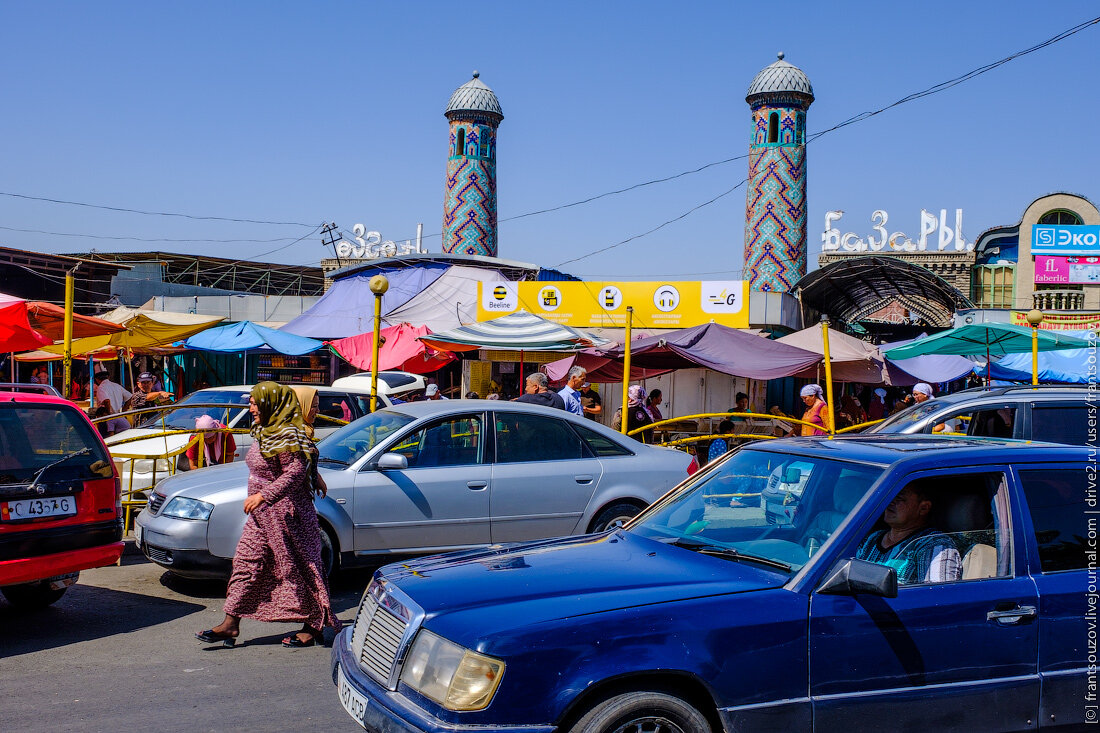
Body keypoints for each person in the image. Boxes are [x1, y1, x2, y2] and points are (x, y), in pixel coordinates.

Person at [195, 382, 339, 649]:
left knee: (300, 568)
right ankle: (230, 623)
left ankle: (314, 624)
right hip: (262, 517)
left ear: (271, 404)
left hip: (288, 515)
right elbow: (302, 460)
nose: (250, 408)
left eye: (254, 403)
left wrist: (264, 495)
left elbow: (295, 469)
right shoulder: (265, 430)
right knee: (246, 563)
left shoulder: (287, 433)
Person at [856, 485, 961, 585]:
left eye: (899, 498)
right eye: (889, 495)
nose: (889, 502)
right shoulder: (872, 539)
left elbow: (937, 595)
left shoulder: (935, 545)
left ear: (923, 508)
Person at [290, 385, 328, 499]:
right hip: (295, 502)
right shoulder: (291, 434)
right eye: (314, 406)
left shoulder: (305, 431)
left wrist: (316, 476)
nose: (318, 411)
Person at [92, 368, 132, 436]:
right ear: (108, 377)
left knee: (107, 438)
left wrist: (109, 414)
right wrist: (124, 411)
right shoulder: (116, 386)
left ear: (97, 379)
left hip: (107, 418)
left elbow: (107, 401)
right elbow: (130, 397)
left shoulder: (101, 387)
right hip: (118, 416)